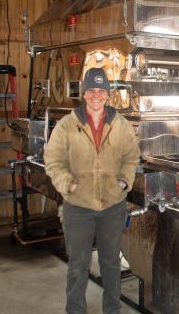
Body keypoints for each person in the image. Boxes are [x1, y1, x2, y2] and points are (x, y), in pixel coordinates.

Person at [44, 67, 140, 314]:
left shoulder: (120, 125)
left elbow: (132, 157)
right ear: (84, 94)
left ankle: (112, 310)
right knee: (78, 265)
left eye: (101, 90)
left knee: (111, 264)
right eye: (91, 90)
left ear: (107, 95)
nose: (96, 95)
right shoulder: (67, 124)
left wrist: (123, 181)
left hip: (112, 206)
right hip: (78, 207)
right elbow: (53, 159)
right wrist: (68, 183)